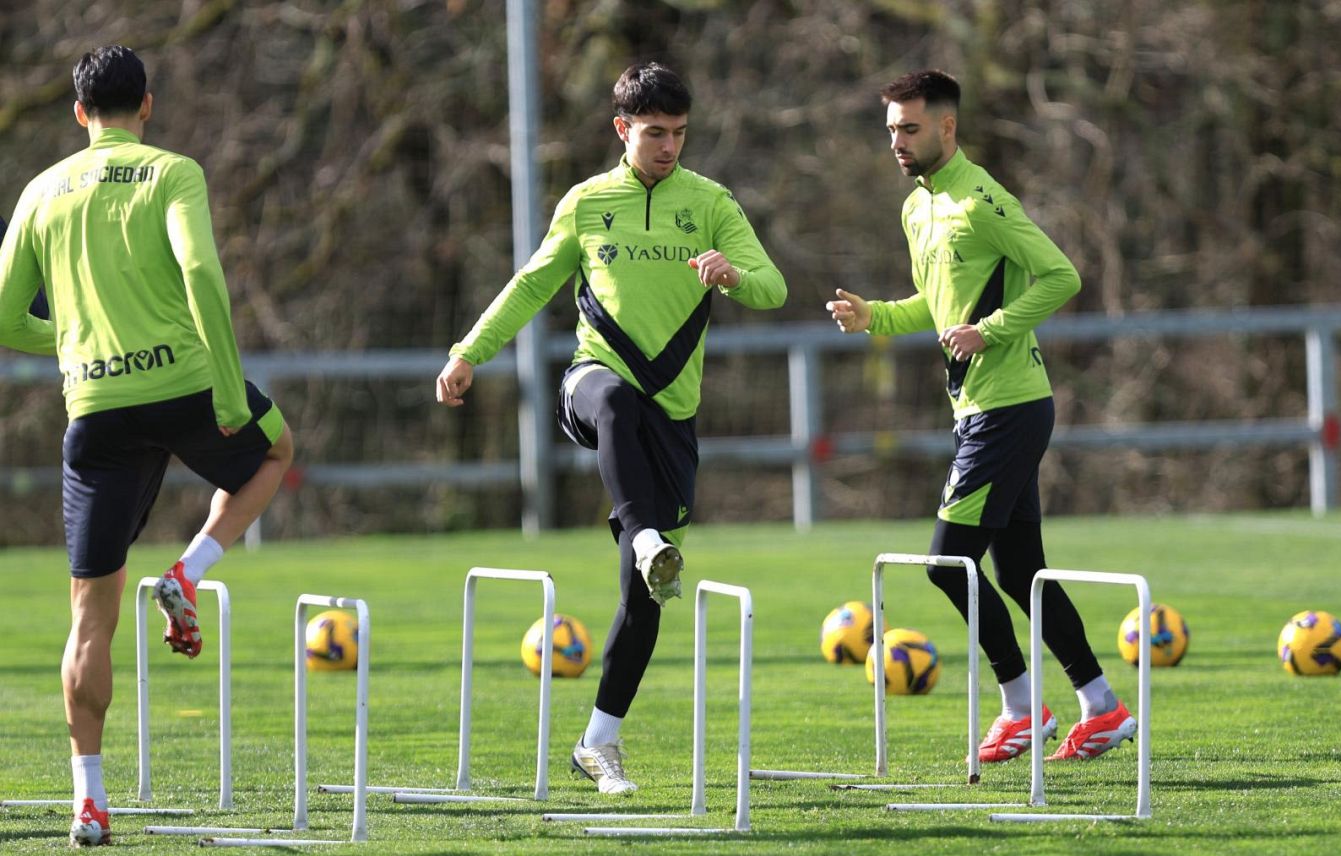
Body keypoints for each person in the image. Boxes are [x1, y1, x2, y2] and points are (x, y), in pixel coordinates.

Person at [435, 62, 786, 794]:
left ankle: (598, 742)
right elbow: (532, 281)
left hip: (674, 417)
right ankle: (646, 532)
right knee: (615, 402)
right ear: (622, 129)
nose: (668, 147)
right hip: (589, 385)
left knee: (644, 595)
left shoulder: (711, 202)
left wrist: (732, 275)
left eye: (679, 134)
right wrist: (470, 351)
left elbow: (773, 286)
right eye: (654, 133)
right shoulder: (588, 202)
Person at [0, 46, 293, 846]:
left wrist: (69, 339)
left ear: (77, 113)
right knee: (275, 452)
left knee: (88, 617)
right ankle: (188, 573)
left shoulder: (40, 190)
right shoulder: (171, 172)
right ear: (149, 105)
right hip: (187, 384)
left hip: (96, 405)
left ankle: (89, 798)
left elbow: (1, 316)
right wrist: (229, 389)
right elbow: (201, 272)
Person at [827, 70, 1136, 764]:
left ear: (946, 127)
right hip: (980, 410)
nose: (896, 143)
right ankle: (1103, 706)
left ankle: (1021, 707)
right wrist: (873, 315)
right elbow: (935, 309)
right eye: (889, 131)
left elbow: (1061, 275)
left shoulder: (982, 199)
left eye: (909, 128)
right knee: (1021, 568)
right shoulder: (916, 209)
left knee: (946, 564)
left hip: (1010, 408)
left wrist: (991, 330)